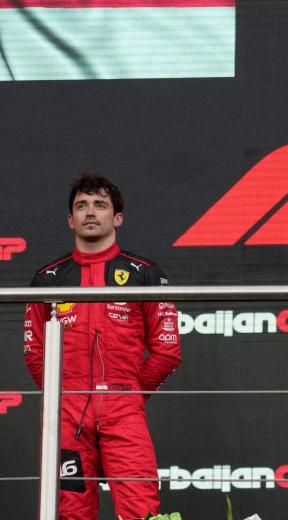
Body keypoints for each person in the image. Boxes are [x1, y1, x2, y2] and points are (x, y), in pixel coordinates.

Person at [23, 175, 181, 520]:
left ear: (117, 217)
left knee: (141, 509)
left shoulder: (145, 274)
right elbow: (35, 353)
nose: (90, 212)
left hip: (124, 405)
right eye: (81, 206)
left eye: (100, 205)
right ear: (70, 220)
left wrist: (131, 394)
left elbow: (167, 350)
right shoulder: (47, 278)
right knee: (69, 511)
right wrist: (63, 395)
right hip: (67, 408)